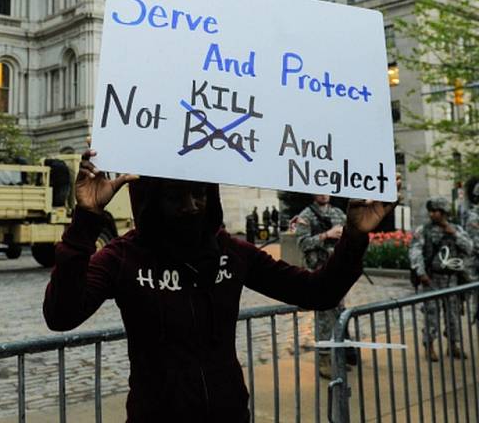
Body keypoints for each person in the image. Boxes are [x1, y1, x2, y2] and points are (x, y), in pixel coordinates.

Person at [43, 150, 396, 422]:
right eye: (175, 197)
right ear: (150, 201)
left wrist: (353, 236)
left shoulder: (231, 252)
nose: (190, 206)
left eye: (199, 194)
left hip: (229, 413)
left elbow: (319, 292)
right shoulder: (123, 257)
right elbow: (62, 314)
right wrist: (86, 221)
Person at [293, 194, 353, 377]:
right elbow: (302, 244)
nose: (323, 194)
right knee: (323, 317)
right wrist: (326, 235)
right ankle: (324, 359)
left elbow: (349, 237)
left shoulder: (338, 214)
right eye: (320, 190)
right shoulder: (305, 216)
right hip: (319, 272)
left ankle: (340, 355)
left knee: (339, 313)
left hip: (337, 271)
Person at [409, 196, 474, 361]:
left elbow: (469, 248)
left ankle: (453, 345)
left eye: (436, 211)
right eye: (431, 211)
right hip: (432, 279)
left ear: (444, 212)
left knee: (453, 315)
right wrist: (421, 272)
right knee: (431, 316)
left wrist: (454, 235)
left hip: (451, 279)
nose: (432, 214)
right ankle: (429, 346)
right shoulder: (423, 230)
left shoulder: (456, 229)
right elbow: (415, 251)